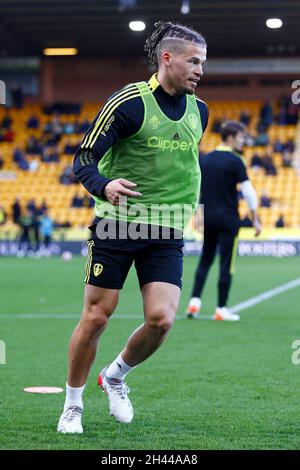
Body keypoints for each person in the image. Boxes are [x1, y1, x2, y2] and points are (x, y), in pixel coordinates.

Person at [57, 20, 208, 434]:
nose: (200, 70)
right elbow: (84, 158)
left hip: (166, 230)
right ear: (167, 58)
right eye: (193, 61)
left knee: (161, 320)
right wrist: (104, 186)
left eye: (203, 63)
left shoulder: (201, 111)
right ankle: (72, 404)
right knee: (97, 317)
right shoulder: (129, 102)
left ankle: (115, 376)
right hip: (118, 225)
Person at [185, 121, 261, 322]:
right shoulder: (237, 160)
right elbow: (249, 193)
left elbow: (194, 188)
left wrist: (196, 217)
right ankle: (221, 308)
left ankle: (194, 302)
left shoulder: (205, 159)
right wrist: (256, 219)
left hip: (206, 217)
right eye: (241, 137)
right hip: (228, 218)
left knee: (205, 259)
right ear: (231, 137)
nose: (243, 140)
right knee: (227, 263)